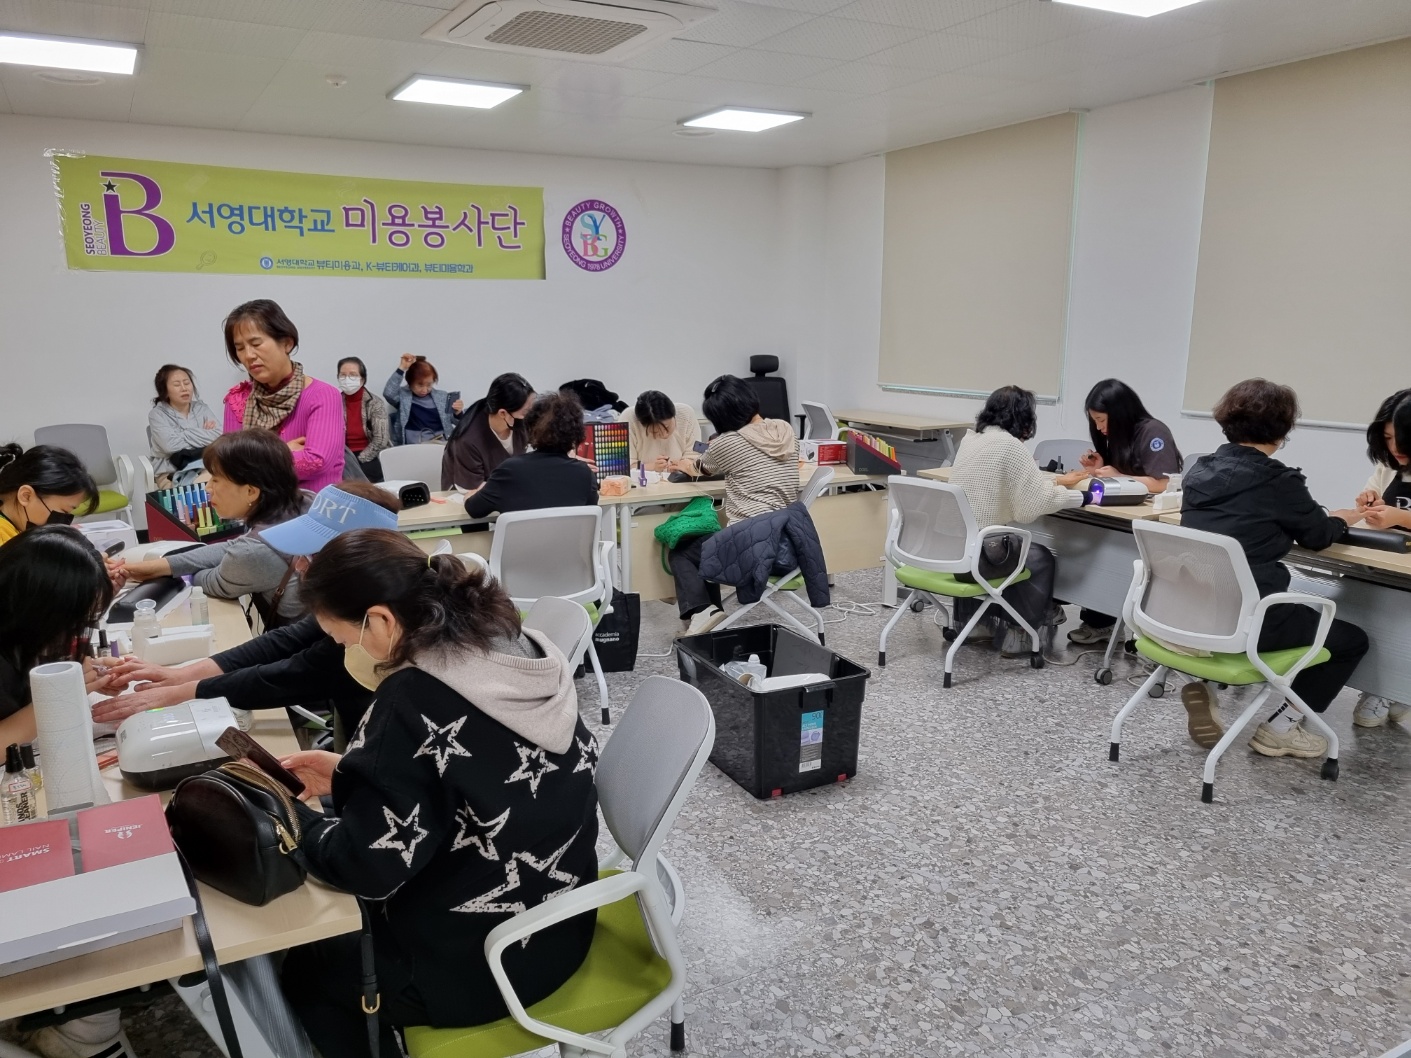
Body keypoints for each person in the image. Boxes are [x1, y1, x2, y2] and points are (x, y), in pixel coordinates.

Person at [276, 529, 599, 1057]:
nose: (349, 652)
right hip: (560, 921)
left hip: (482, 965)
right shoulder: (519, 645)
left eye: (346, 639)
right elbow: (480, 777)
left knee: (309, 968)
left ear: (381, 620)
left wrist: (294, 818)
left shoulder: (412, 697)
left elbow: (364, 868)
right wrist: (352, 775)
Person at [91, 483, 400, 733]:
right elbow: (288, 640)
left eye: (310, 555)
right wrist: (181, 676)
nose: (299, 565)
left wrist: (182, 690)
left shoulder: (372, 622)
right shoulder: (356, 596)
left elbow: (295, 673)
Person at [1181, 378, 1368, 759]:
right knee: (1350, 640)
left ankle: (1208, 682)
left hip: (1190, 615)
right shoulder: (1278, 481)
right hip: (1250, 622)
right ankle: (1280, 729)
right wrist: (1342, 519)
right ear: (1282, 431)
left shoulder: (1198, 472)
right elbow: (1317, 535)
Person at [949, 386, 1092, 650]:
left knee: (1002, 544)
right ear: (1023, 417)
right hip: (981, 559)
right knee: (1038, 558)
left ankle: (977, 625)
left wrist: (1056, 481)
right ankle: (1020, 635)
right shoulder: (1011, 446)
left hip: (954, 553)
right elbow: (1029, 508)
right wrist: (1082, 497)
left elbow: (1000, 483)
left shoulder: (971, 439)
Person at [117, 431, 309, 627]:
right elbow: (233, 548)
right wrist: (159, 566)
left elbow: (207, 580)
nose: (207, 487)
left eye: (216, 479)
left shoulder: (253, 554)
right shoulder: (304, 502)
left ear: (251, 491)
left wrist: (175, 571)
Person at [671, 374, 800, 635]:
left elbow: (697, 468)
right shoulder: (785, 430)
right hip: (789, 548)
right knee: (709, 542)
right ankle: (709, 617)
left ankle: (703, 612)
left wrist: (681, 463)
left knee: (683, 549)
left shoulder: (728, 442)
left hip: (752, 551)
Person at [1069, 379, 1184, 647]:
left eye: (1102, 420)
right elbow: (1122, 474)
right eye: (1095, 422)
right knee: (1088, 541)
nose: (1099, 428)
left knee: (1107, 551)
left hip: (1147, 520)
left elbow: (1162, 483)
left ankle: (1105, 622)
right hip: (1119, 513)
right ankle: (1099, 618)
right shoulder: (1119, 435)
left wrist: (1119, 476)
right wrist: (1100, 468)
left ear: (1119, 412)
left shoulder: (1153, 432)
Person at [0, 526, 114, 749]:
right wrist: (61, 693)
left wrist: (78, 673)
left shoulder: (16, 630)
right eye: (72, 620)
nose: (73, 632)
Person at [221, 299, 344, 490]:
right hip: (259, 507)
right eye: (240, 348)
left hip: (314, 505)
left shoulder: (323, 395)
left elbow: (315, 462)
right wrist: (284, 451)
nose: (249, 355)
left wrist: (252, 461)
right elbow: (229, 465)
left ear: (286, 343)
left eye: (256, 343)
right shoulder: (238, 400)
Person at [1348, 389, 1411, 729]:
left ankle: (1390, 688)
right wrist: (1369, 504)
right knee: (1358, 597)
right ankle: (1384, 686)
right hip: (1387, 564)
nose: (1395, 447)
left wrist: (1402, 519)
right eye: (1387, 438)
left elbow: (1398, 518)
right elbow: (1370, 507)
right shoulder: (1388, 466)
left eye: (1402, 438)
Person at [465, 393, 598, 518]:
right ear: (577, 433)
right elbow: (589, 513)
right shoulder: (584, 474)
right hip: (566, 536)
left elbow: (474, 510)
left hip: (521, 536)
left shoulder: (510, 470)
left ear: (530, 428)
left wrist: (468, 496)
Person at [441, 373, 535, 491]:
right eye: (526, 412)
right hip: (467, 496)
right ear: (502, 413)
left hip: (509, 491)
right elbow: (473, 489)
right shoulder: (468, 440)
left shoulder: (519, 425)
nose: (531, 415)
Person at [0, 444, 98, 547]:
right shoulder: (3, 538)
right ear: (26, 496)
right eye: (63, 512)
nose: (62, 523)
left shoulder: (15, 528)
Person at [148, 364, 222, 488]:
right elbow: (170, 446)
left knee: (229, 477)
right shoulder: (157, 415)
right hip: (171, 472)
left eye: (187, 383)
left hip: (205, 464)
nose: (184, 388)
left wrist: (182, 434)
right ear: (164, 390)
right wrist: (203, 434)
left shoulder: (201, 408)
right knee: (213, 483)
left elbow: (220, 436)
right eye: (177, 385)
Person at [384, 354, 464, 446]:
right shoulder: (404, 397)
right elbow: (388, 393)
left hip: (441, 445)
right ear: (410, 383)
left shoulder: (442, 396)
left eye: (429, 385)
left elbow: (457, 423)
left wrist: (458, 413)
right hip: (413, 446)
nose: (425, 390)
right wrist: (402, 368)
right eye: (420, 385)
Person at [336, 357, 392, 483]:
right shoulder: (334, 402)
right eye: (343, 375)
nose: (347, 379)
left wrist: (359, 460)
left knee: (365, 478)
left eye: (353, 375)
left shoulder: (374, 403)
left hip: (371, 454)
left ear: (362, 379)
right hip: (344, 455)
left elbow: (381, 440)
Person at [624, 390, 701, 472]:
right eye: (655, 432)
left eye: (667, 427)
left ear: (674, 415)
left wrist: (683, 466)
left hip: (680, 477)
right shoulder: (629, 419)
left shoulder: (686, 414)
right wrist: (652, 466)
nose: (664, 435)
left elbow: (694, 456)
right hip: (643, 479)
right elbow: (625, 466)